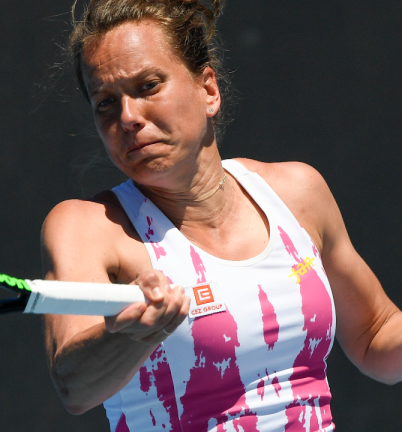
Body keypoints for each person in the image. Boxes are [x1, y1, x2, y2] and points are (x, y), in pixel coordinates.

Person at [41, 1, 402, 431]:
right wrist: (131, 334)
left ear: (208, 89)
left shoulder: (298, 192)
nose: (128, 117)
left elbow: (374, 335)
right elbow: (74, 388)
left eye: (149, 85)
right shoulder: (86, 228)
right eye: (105, 103)